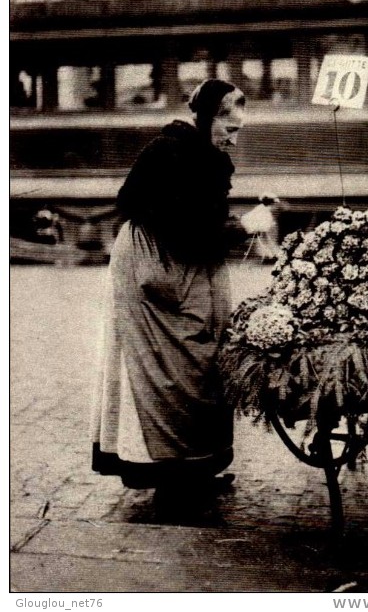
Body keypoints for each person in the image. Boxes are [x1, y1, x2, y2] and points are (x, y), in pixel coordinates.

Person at [91, 79, 252, 520]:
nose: (233, 139)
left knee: (202, 354)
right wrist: (242, 229)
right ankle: (170, 475)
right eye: (230, 129)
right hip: (154, 268)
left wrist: (233, 222)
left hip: (184, 262)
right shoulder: (169, 150)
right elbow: (184, 226)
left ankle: (196, 464)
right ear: (209, 118)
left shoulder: (207, 156)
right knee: (168, 363)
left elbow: (200, 216)